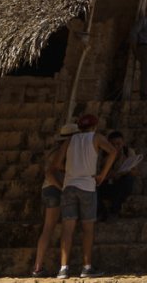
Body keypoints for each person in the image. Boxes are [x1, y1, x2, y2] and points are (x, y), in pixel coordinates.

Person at [54, 114, 117, 279]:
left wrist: (70, 170)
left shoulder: (69, 141)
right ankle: (87, 267)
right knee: (88, 228)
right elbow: (113, 152)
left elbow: (57, 163)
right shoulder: (96, 138)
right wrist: (102, 174)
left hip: (69, 185)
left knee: (67, 228)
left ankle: (63, 268)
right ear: (94, 126)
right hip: (87, 186)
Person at [30, 123, 76, 277]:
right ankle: (57, 267)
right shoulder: (62, 153)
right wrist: (62, 187)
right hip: (55, 190)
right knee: (58, 228)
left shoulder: (54, 152)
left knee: (48, 229)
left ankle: (38, 267)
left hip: (49, 190)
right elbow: (50, 173)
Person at [98, 131, 140, 221]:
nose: (116, 147)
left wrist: (125, 172)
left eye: (118, 144)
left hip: (120, 184)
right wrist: (109, 175)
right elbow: (97, 174)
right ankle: (101, 212)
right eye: (112, 144)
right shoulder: (102, 154)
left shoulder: (128, 152)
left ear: (123, 143)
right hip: (106, 183)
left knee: (129, 180)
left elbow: (135, 172)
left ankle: (114, 211)